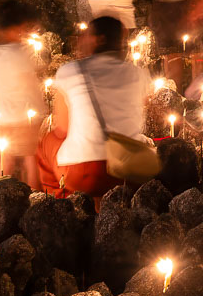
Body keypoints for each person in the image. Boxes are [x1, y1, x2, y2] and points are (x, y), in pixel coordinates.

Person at [39, 16, 150, 197]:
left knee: (48, 142)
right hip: (130, 170)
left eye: (86, 35)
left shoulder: (70, 71)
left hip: (86, 173)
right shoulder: (138, 74)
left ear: (99, 40)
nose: (80, 40)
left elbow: (62, 128)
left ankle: (64, 204)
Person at [0, 0, 43, 186]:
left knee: (6, 159)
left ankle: (1, 196)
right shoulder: (20, 55)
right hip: (23, 118)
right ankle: (34, 196)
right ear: (16, 28)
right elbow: (29, 87)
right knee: (30, 158)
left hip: (3, 117)